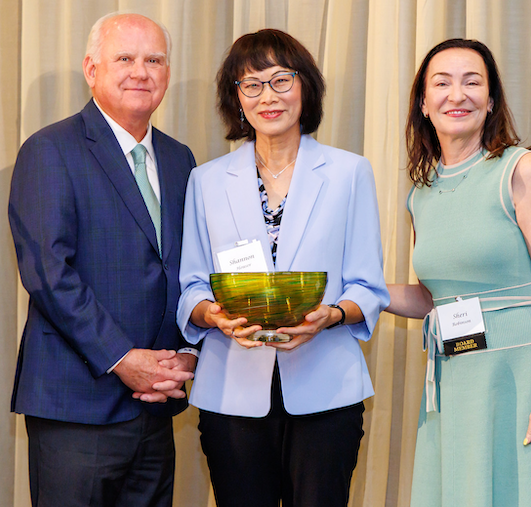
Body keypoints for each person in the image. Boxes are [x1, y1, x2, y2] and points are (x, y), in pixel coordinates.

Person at [385, 39, 531, 506]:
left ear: (490, 101)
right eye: (442, 83)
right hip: (455, 383)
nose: (457, 94)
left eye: (472, 82)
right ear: (423, 103)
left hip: (523, 381)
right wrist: (356, 291)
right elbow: (433, 299)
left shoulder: (520, 169)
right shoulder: (419, 194)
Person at [175, 29, 389, 507]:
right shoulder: (206, 180)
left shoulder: (348, 173)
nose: (267, 96)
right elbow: (191, 286)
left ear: (305, 86)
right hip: (232, 392)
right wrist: (215, 316)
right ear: (236, 99)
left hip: (326, 389)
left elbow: (368, 286)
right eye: (251, 85)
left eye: (280, 80)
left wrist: (331, 315)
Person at [7, 12, 198, 507]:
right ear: (92, 69)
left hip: (157, 405)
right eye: (125, 58)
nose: (141, 72)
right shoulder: (50, 149)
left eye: (154, 60)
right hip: (77, 405)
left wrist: (185, 354)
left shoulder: (180, 159)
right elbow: (48, 272)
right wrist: (123, 359)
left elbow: (188, 268)